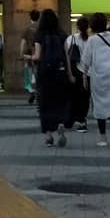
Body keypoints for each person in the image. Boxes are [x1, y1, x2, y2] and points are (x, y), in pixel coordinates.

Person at [81, 12, 110, 147]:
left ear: (93, 25)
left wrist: (85, 77)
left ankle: (103, 138)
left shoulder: (92, 40)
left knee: (99, 104)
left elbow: (86, 61)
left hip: (98, 74)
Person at [33, 9, 72, 146]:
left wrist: (27, 57)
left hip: (45, 74)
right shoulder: (62, 34)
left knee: (45, 104)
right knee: (60, 102)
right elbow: (67, 56)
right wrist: (70, 74)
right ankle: (61, 124)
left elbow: (37, 56)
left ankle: (49, 136)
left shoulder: (39, 35)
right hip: (60, 73)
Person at [65, 17, 92, 132]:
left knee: (73, 96)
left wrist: (69, 73)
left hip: (76, 71)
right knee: (85, 98)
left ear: (77, 26)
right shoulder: (91, 39)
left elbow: (66, 55)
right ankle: (82, 120)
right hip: (89, 72)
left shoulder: (71, 38)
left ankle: (71, 119)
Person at [20, 9, 40, 106]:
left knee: (28, 75)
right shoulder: (41, 28)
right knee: (37, 75)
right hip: (40, 56)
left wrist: (21, 54)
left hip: (29, 55)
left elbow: (23, 42)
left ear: (30, 17)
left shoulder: (28, 29)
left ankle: (31, 91)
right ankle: (39, 92)